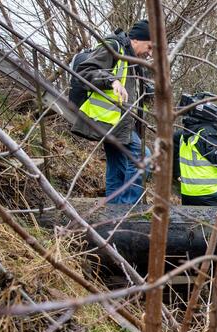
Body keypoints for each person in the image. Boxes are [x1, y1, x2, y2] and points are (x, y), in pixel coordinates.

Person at [72, 20, 153, 204]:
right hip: (107, 122)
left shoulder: (133, 61)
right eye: (149, 46)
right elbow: (84, 71)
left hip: (120, 125)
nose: (150, 52)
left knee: (117, 170)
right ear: (137, 40)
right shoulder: (113, 47)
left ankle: (113, 214)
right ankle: (126, 210)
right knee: (143, 157)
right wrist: (111, 80)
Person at [174, 103, 217, 206]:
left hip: (188, 193)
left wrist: (177, 172)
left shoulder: (189, 131)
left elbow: (172, 144)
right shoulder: (206, 134)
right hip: (210, 195)